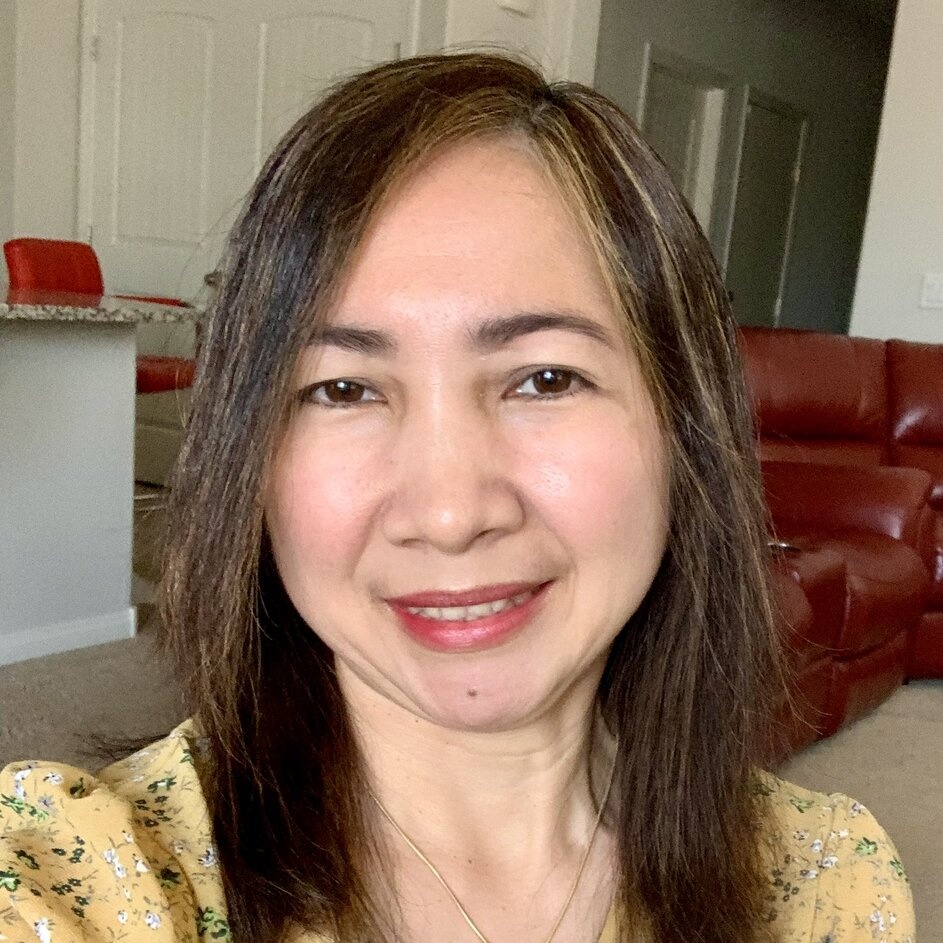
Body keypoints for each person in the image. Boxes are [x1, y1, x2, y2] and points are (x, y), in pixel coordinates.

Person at [0, 53, 914, 943]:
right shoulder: (81, 877)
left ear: (684, 426)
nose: (448, 514)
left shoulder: (824, 885)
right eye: (343, 389)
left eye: (545, 378)